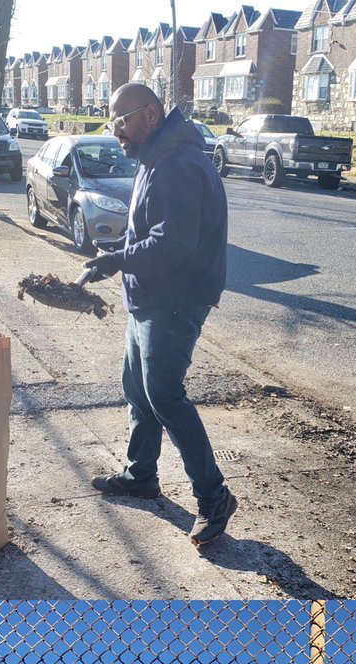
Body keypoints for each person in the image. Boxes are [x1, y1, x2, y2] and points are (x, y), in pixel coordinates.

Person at [84, 84, 237, 548]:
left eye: (121, 121)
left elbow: (173, 244)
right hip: (150, 296)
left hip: (175, 299)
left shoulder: (179, 164)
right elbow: (151, 231)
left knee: (165, 395)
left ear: (150, 114)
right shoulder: (160, 156)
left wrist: (118, 260)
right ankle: (140, 474)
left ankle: (214, 497)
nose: (117, 132)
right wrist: (118, 252)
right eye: (112, 123)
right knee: (137, 387)